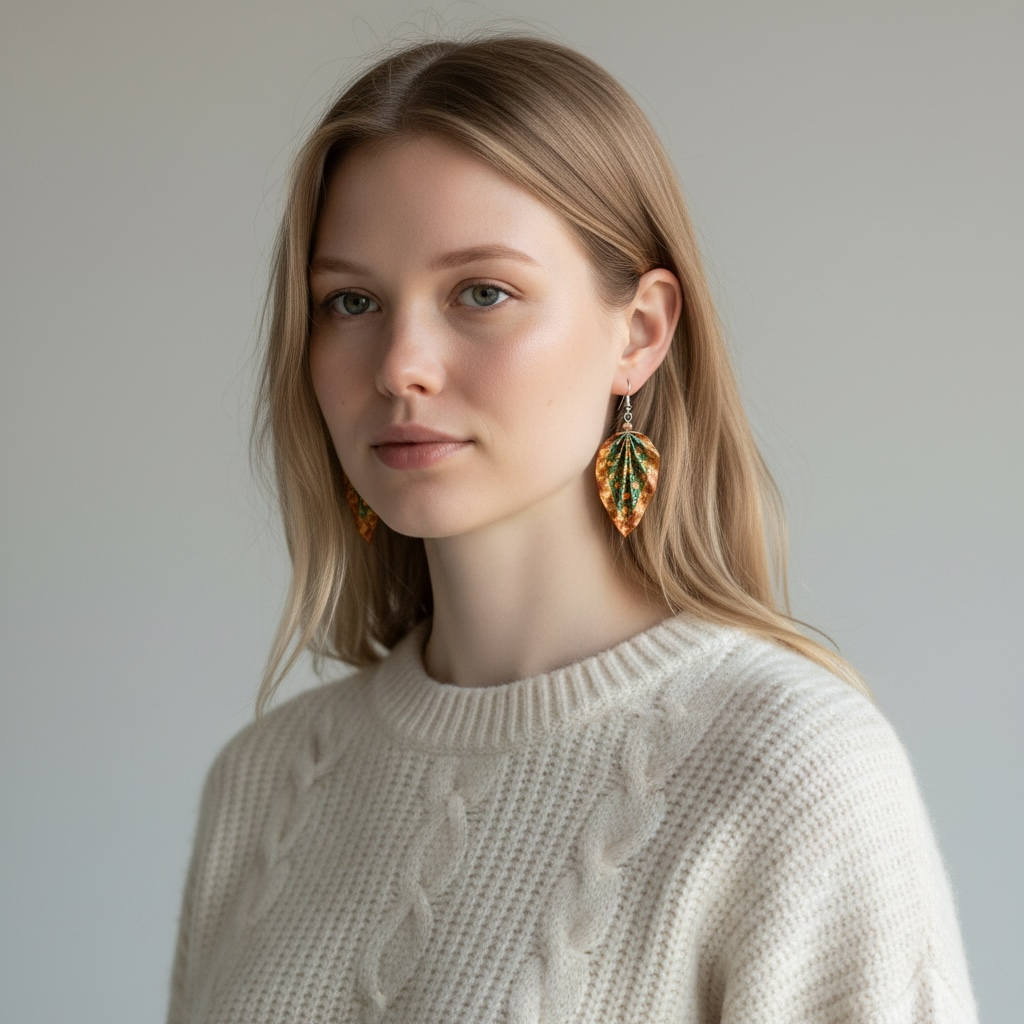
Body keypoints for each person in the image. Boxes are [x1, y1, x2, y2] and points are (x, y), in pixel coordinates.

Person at [166, 35, 977, 1023]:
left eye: (482, 293)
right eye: (352, 301)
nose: (399, 365)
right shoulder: (264, 786)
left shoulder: (788, 769)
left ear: (638, 331)